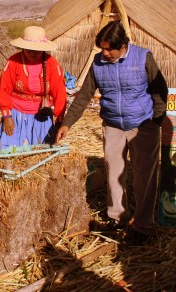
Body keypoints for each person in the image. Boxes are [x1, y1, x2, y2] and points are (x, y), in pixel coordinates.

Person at [56, 21, 168, 245]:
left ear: (123, 45)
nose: (104, 53)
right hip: (113, 125)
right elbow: (84, 96)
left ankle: (143, 226)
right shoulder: (98, 63)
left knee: (143, 176)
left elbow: (160, 90)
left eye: (109, 49)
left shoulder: (143, 58)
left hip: (142, 124)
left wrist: (156, 121)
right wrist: (67, 123)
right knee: (113, 172)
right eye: (102, 48)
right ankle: (117, 219)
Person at [0, 26, 67, 151]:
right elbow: (4, 89)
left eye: (37, 51)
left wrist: (59, 121)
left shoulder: (52, 64)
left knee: (39, 152)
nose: (33, 54)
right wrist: (7, 116)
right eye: (29, 50)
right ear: (22, 47)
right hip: (16, 115)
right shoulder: (13, 62)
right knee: (10, 151)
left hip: (41, 118)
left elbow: (60, 93)